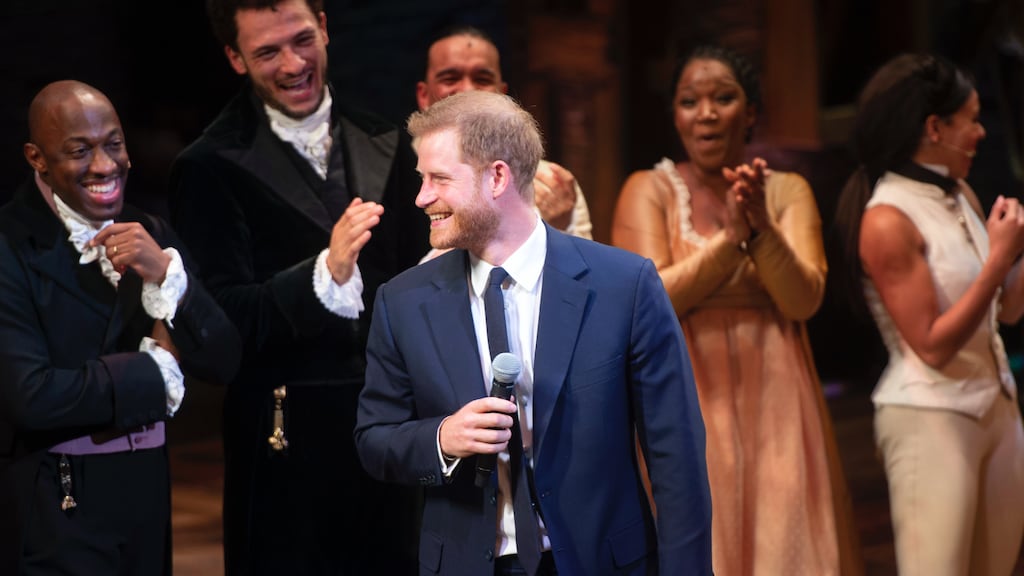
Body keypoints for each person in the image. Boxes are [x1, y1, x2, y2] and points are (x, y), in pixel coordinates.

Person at [354, 89, 712, 575]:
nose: (422, 198)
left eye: (439, 179)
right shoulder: (402, 301)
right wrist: (443, 437)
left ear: (497, 176)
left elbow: (678, 463)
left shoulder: (624, 286)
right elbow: (375, 440)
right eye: (422, 180)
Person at [167, 0, 427, 574]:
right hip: (283, 440)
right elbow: (220, 323)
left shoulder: (391, 137)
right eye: (267, 51)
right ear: (235, 57)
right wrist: (323, 276)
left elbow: (419, 283)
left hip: (389, 428)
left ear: (326, 27)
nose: (292, 63)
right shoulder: (208, 166)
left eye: (302, 40)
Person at [611, 44, 863, 575]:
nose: (705, 113)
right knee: (705, 542)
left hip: (777, 395)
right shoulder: (648, 189)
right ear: (675, 114)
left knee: (783, 541)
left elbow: (803, 298)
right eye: (689, 101)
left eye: (724, 98)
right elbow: (647, 302)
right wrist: (732, 240)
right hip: (685, 393)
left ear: (749, 114)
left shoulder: (786, 190)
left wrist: (762, 228)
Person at [0, 80, 241, 576]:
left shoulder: (151, 232)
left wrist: (169, 276)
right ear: (37, 157)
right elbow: (31, 396)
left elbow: (224, 360)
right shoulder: (8, 247)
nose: (105, 165)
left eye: (113, 143)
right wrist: (154, 374)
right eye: (79, 150)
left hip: (147, 500)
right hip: (55, 506)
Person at [834, 52, 1024, 576]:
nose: (982, 132)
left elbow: (1008, 310)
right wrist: (1000, 258)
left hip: (998, 406)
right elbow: (934, 345)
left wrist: (1015, 255)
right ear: (935, 127)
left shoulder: (959, 191)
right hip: (931, 417)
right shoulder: (887, 217)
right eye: (972, 118)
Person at [415, 24, 591, 262]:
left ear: (503, 93)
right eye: (451, 78)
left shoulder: (551, 182)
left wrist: (555, 228)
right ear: (423, 95)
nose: (468, 90)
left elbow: (584, 276)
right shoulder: (393, 175)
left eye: (482, 78)